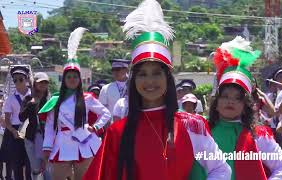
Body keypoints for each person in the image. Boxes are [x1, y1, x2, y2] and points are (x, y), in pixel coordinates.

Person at [83, 0, 231, 179]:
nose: (150, 81)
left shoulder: (191, 125)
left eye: (156, 73)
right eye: (142, 74)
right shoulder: (117, 132)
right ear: (134, 80)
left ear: (167, 78)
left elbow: (220, 170)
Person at [209, 36, 282, 180]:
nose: (231, 101)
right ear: (216, 103)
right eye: (225, 96)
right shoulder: (202, 132)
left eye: (238, 98)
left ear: (245, 105)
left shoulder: (258, 135)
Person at [38, 27, 112, 180]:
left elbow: (106, 113)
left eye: (75, 76)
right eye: (69, 76)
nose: (72, 79)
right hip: (62, 144)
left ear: (80, 80)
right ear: (64, 80)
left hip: (84, 143)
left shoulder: (88, 98)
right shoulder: (55, 101)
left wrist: (95, 127)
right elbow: (51, 128)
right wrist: (46, 147)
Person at [1, 66, 32, 180]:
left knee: (30, 166)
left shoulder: (33, 96)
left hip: (31, 131)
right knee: (17, 166)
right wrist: (13, 131)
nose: (18, 82)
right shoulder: (10, 99)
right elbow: (7, 120)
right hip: (15, 132)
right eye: (15, 80)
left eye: (21, 79)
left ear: (27, 79)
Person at [19, 72, 51, 180]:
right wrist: (31, 104)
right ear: (35, 84)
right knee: (36, 169)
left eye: (45, 82)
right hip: (31, 138)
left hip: (48, 139)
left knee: (48, 170)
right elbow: (21, 117)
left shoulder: (50, 100)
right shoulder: (28, 99)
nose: (43, 84)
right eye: (40, 82)